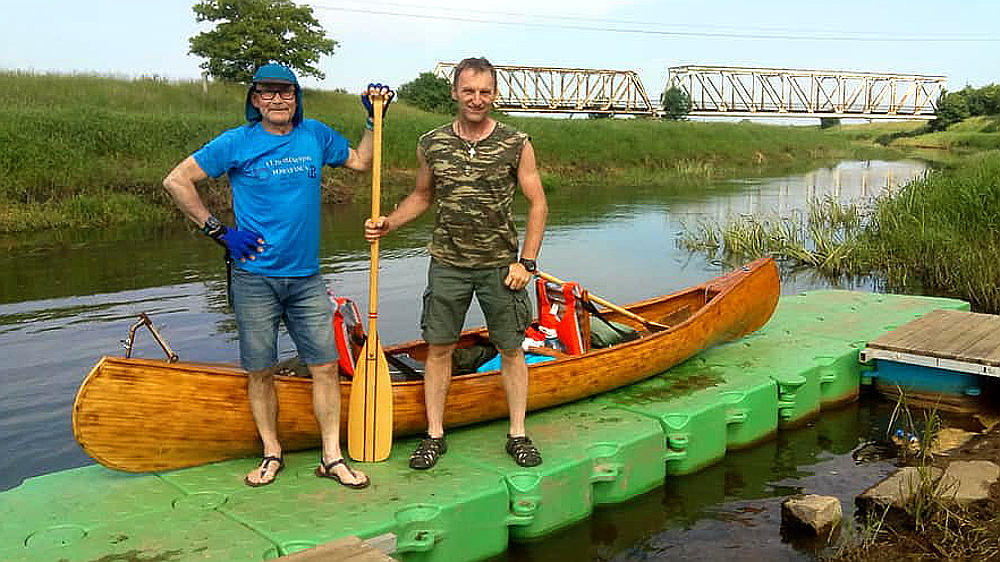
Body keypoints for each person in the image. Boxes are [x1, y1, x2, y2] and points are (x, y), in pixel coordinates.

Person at [163, 62, 394, 488]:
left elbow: (362, 161)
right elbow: (177, 180)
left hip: (306, 279)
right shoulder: (237, 142)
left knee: (325, 366)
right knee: (260, 370)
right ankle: (272, 452)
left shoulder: (315, 136)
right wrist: (220, 232)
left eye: (285, 92)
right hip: (254, 278)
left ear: (296, 97)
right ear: (255, 100)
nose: (277, 99)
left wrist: (371, 119)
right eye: (267, 93)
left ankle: (331, 456)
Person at [365, 57, 548, 469]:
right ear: (455, 92)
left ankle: (518, 433)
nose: (477, 99)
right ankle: (434, 435)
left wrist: (528, 263)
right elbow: (422, 195)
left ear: (494, 94)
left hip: (501, 267)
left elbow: (538, 203)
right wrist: (389, 223)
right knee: (439, 348)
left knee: (512, 348)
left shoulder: (517, 142)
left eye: (485, 91)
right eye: (469, 91)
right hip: (447, 263)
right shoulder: (431, 142)